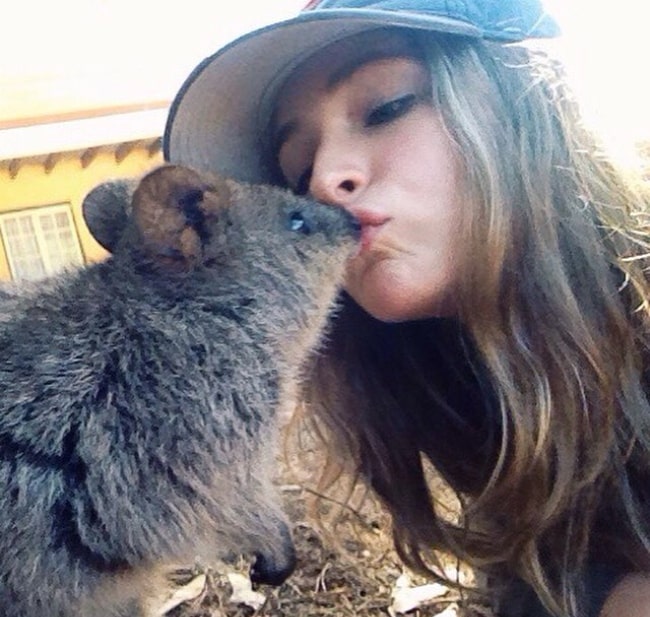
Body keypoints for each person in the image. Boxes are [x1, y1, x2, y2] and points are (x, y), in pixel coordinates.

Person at [163, 1, 650, 615]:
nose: (322, 182)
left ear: (528, 100)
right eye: (297, 169)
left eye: (385, 107)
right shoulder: (473, 398)